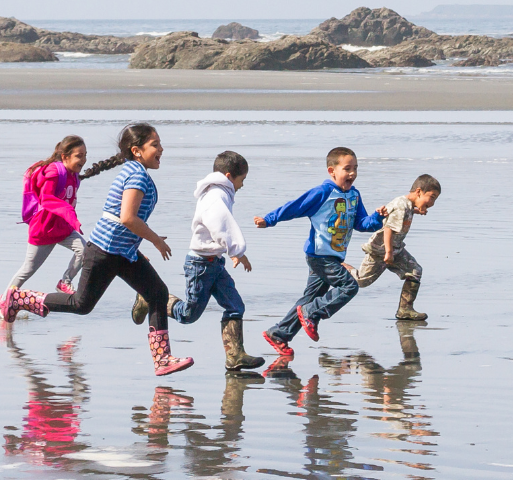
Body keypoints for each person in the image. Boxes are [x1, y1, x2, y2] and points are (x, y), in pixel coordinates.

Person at [0, 123, 193, 377]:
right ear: (136, 150)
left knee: (157, 292)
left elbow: (125, 221)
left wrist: (139, 242)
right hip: (105, 251)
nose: (161, 149)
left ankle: (162, 359)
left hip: (123, 252)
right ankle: (20, 299)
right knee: (81, 304)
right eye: (155, 145)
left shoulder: (136, 171)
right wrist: (154, 239)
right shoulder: (136, 175)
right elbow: (127, 218)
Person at [132, 151, 264, 371]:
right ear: (230, 176)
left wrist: (230, 251)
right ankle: (150, 299)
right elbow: (219, 223)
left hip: (215, 263)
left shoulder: (220, 192)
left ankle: (235, 355)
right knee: (188, 315)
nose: (242, 186)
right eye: (242, 181)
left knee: (235, 306)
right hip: (200, 265)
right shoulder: (216, 196)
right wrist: (236, 250)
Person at [254, 147, 387, 356]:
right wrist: (269, 220)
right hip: (319, 256)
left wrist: (377, 218)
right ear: (331, 171)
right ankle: (312, 313)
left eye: (355, 168)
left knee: (310, 298)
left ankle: (279, 334)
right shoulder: (323, 193)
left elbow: (361, 223)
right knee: (349, 286)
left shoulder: (354, 195)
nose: (352, 173)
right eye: (347, 169)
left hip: (334, 256)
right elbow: (294, 207)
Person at [0, 136, 87, 319]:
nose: (83, 160)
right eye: (79, 156)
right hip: (44, 230)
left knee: (85, 250)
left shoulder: (73, 175)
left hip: (63, 228)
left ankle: (65, 281)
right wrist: (70, 213)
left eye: (85, 155)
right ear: (65, 157)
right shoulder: (54, 172)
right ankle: (4, 299)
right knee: (28, 269)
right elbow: (46, 198)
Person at [343, 174, 441, 321]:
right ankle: (337, 266)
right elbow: (388, 228)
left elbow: (400, 213)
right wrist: (388, 252)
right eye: (432, 197)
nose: (433, 202)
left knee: (415, 271)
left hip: (396, 249)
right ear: (419, 191)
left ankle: (405, 310)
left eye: (435, 199)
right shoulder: (401, 204)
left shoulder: (407, 205)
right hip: (380, 250)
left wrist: (416, 211)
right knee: (361, 281)